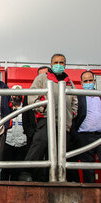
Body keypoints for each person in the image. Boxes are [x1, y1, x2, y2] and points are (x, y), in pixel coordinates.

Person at [24, 53, 78, 182]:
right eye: (56, 63)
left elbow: (75, 100)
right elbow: (31, 97)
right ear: (51, 64)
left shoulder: (68, 81)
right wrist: (43, 109)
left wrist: (71, 114)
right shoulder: (42, 78)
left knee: (60, 151)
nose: (59, 65)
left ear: (65, 65)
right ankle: (26, 170)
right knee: (40, 142)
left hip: (64, 122)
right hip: (46, 118)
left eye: (61, 63)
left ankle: (57, 177)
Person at [71, 71, 101, 183]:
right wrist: (76, 135)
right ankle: (89, 194)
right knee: (88, 169)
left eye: (90, 80)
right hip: (85, 137)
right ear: (81, 83)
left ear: (94, 81)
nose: (88, 83)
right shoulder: (78, 97)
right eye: (85, 81)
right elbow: (73, 115)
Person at [2, 86, 34, 181]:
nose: (16, 96)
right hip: (8, 142)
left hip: (22, 143)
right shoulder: (6, 108)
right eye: (14, 94)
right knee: (5, 169)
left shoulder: (27, 109)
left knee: (18, 170)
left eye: (18, 94)